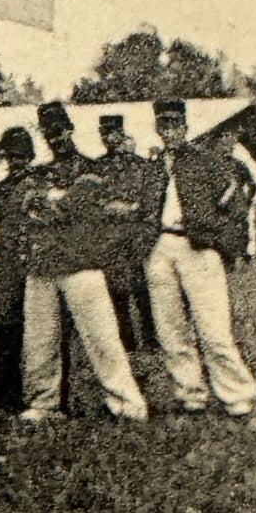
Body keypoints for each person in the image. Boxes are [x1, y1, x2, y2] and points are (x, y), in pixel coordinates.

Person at [19, 102, 149, 422]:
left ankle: (127, 402)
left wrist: (56, 206)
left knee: (103, 338)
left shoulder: (92, 169)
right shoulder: (39, 172)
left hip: (81, 263)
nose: (55, 137)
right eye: (48, 132)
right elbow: (31, 210)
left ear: (70, 129)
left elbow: (87, 210)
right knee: (39, 341)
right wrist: (61, 205)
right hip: (45, 265)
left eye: (60, 130)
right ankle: (45, 403)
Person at [143, 99, 256, 417]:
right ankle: (190, 394)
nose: (170, 131)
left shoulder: (207, 161)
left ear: (185, 127)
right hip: (160, 247)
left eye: (175, 125)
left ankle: (237, 395)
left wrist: (222, 244)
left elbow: (236, 207)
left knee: (213, 328)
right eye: (164, 125)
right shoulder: (152, 167)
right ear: (157, 128)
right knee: (170, 329)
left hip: (198, 247)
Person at [0, 126, 37, 413]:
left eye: (22, 157)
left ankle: (43, 396)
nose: (17, 162)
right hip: (5, 267)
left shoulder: (39, 185)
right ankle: (5, 396)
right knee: (5, 333)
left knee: (40, 332)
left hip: (34, 265)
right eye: (12, 157)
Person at [96, 111, 161, 349]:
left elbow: (148, 199)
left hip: (136, 235)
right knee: (116, 291)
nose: (109, 138)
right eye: (104, 134)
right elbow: (95, 202)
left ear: (121, 133)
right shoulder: (98, 167)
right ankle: (127, 340)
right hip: (111, 237)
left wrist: (129, 209)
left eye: (113, 133)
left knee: (143, 287)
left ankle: (151, 337)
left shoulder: (140, 165)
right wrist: (113, 209)